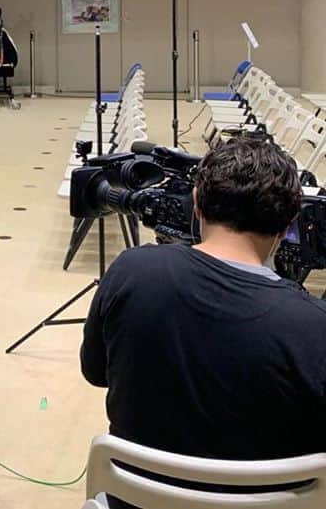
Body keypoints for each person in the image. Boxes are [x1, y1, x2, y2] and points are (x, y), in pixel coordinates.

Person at [81, 137, 326, 508]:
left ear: (196, 203)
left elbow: (96, 372)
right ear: (289, 221)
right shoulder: (313, 328)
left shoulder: (132, 271)